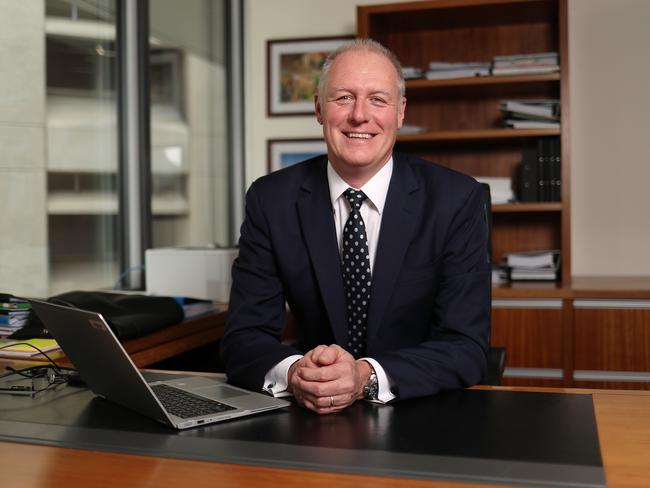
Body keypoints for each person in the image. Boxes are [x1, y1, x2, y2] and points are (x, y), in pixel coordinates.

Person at [221, 39, 490, 414]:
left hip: (421, 414)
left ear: (400, 112)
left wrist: (365, 376)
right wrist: (296, 372)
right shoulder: (271, 199)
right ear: (319, 107)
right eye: (343, 97)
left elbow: (467, 346)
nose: (360, 116)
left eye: (378, 99)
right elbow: (243, 338)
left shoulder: (455, 199)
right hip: (310, 416)